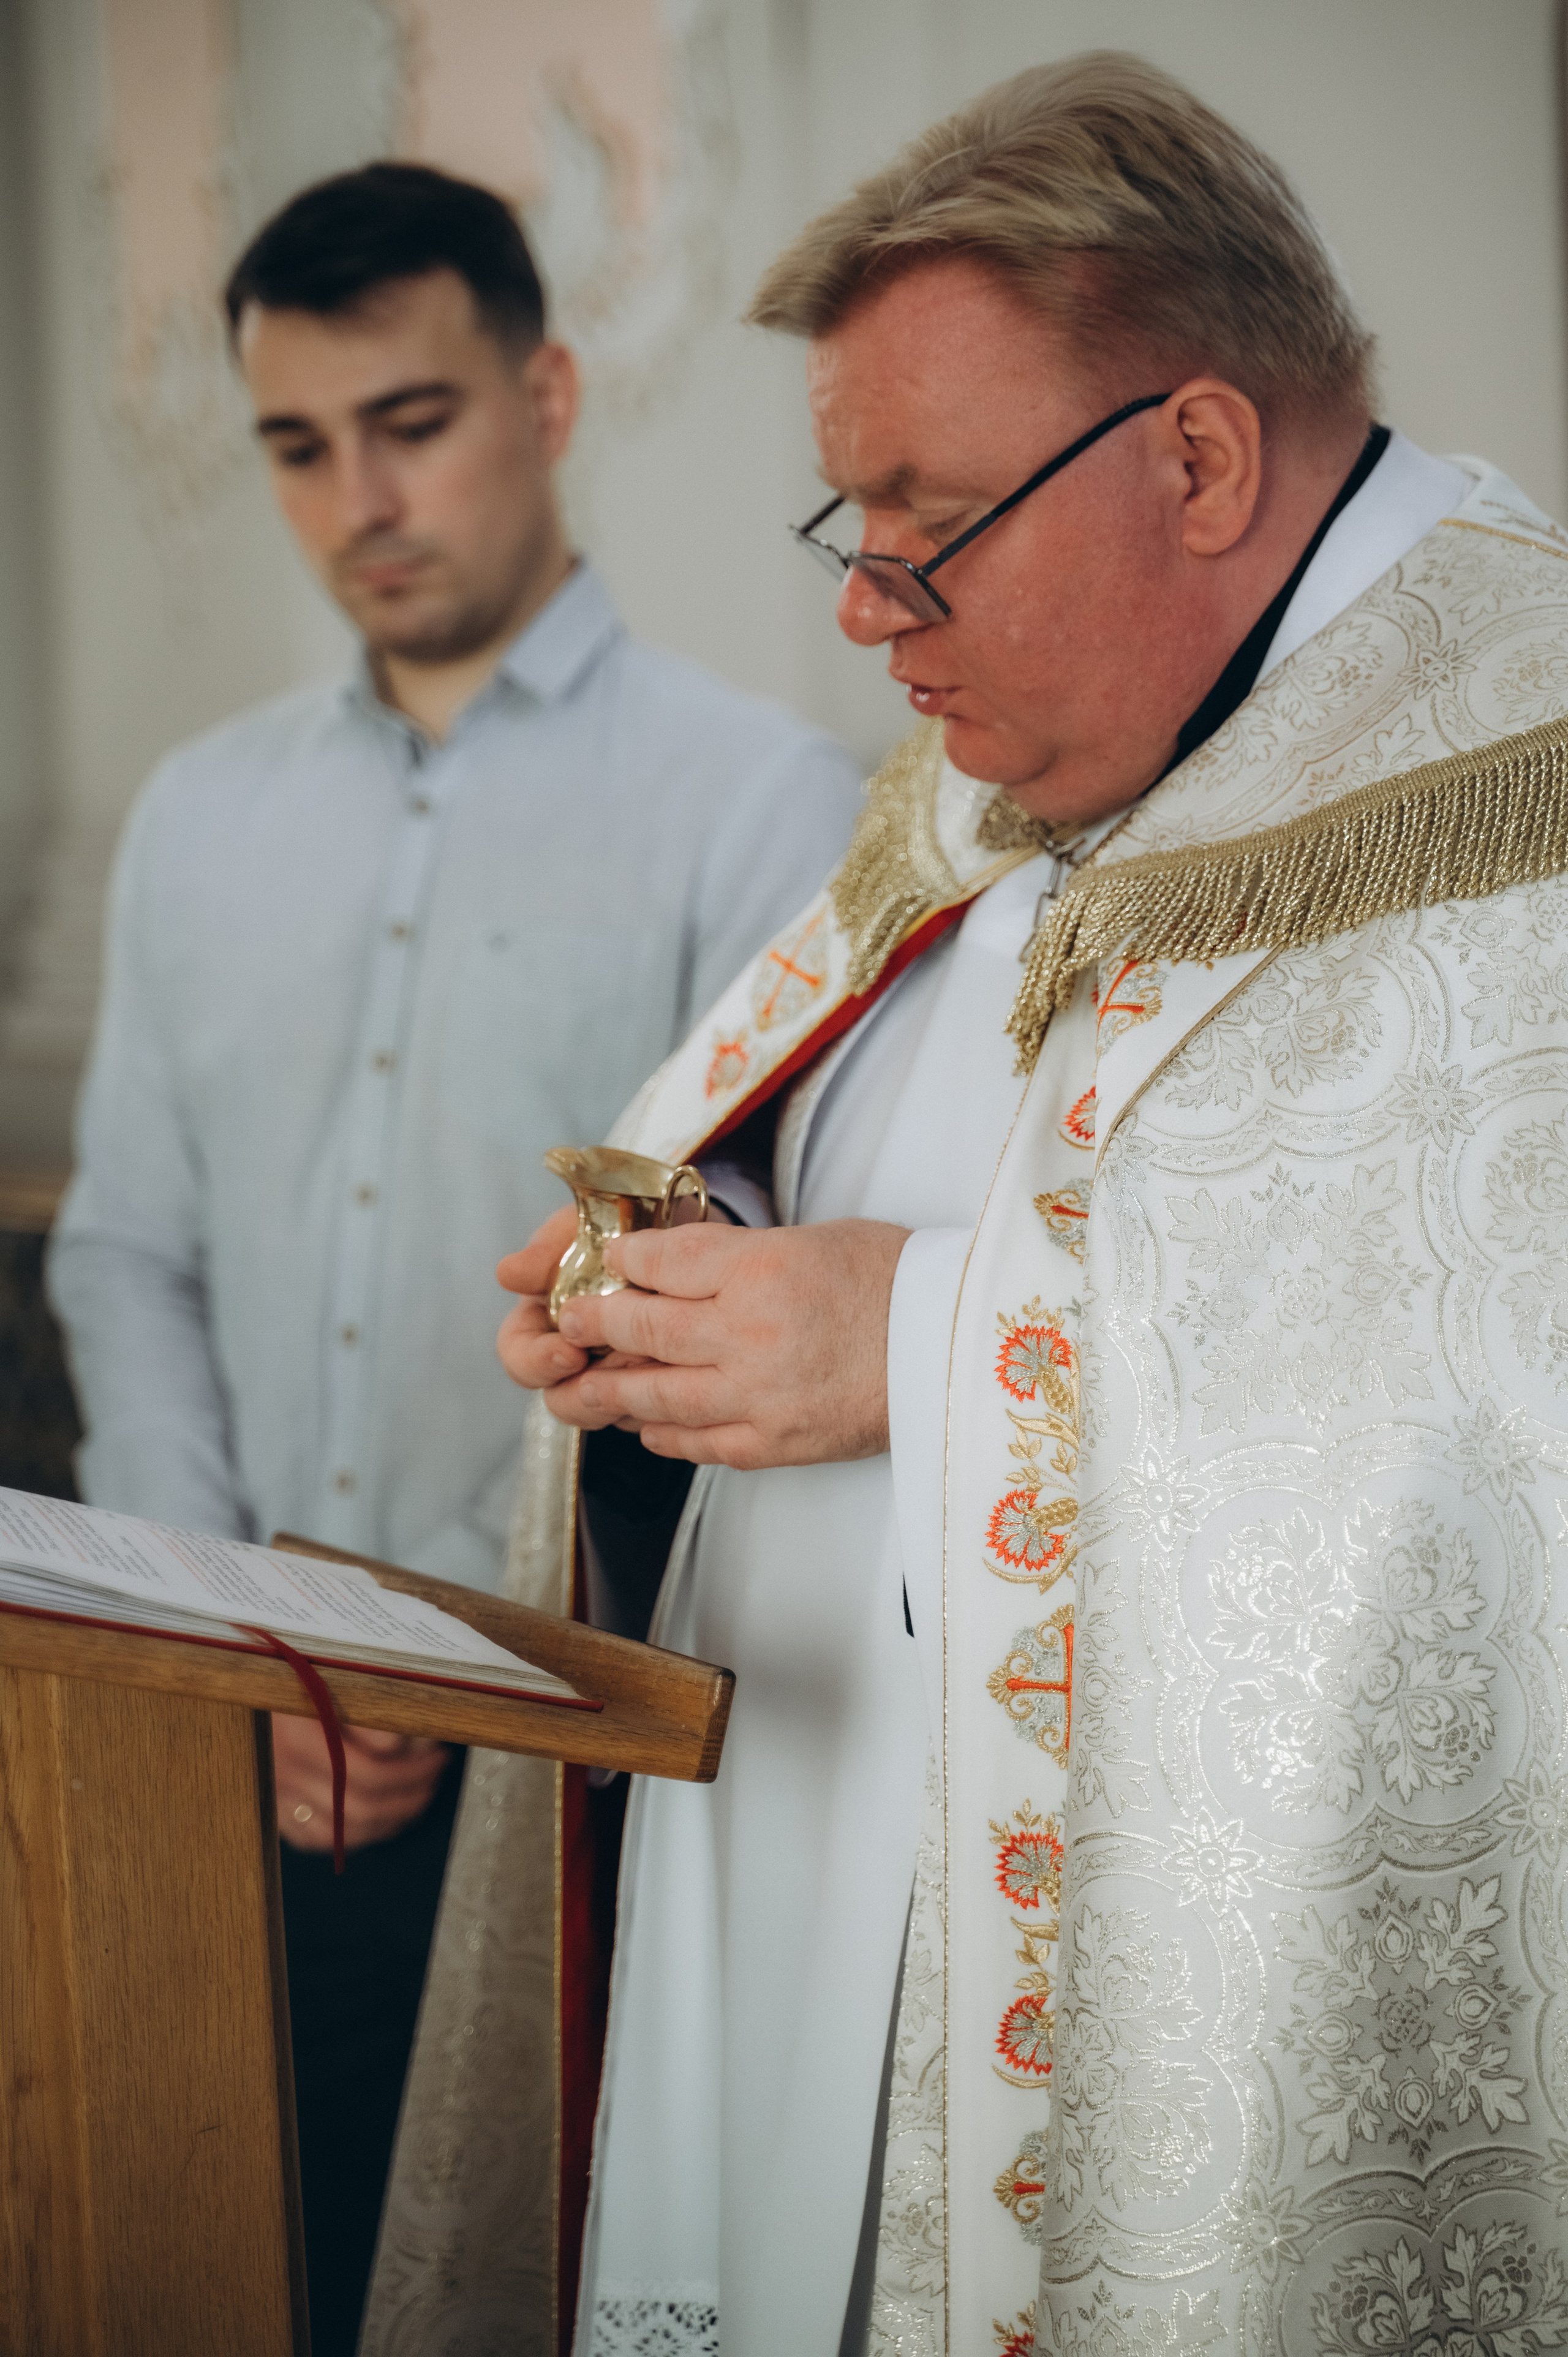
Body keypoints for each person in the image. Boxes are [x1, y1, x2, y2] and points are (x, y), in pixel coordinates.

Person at [370, 56, 1568, 2356]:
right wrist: (675, 1272)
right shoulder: (1021, 754)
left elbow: (1479, 1404)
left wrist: (915, 1344)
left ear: (1200, 459)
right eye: (856, 531)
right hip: (789, 1851)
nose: (871, 615)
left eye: (924, 521)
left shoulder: (1508, 774)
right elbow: (848, 1132)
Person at [47, 162, 861, 2356]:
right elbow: (127, 1258)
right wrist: (233, 1630)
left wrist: (436, 1661)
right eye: (300, 447)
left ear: (551, 389)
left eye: (412, 420)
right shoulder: (200, 818)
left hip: (571, 1781)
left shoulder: (766, 803)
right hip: (211, 1743)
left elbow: (734, 1321)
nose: (357, 499)